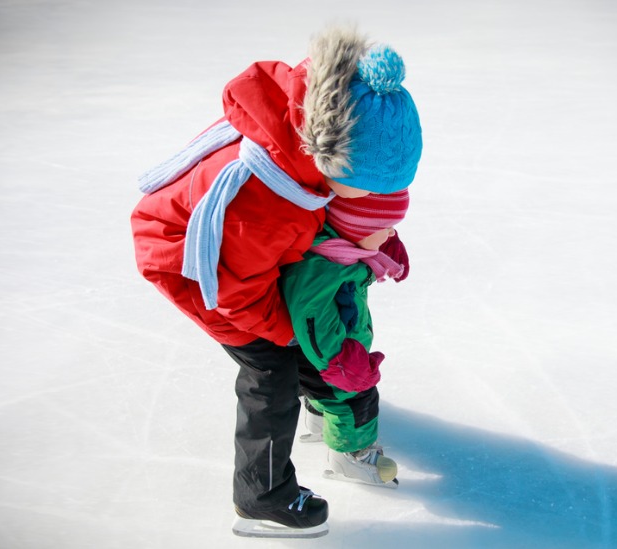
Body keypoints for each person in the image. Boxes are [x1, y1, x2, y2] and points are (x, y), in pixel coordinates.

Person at [129, 24, 421, 539]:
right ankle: (262, 498)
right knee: (272, 373)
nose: (366, 203)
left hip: (249, 255)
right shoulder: (267, 201)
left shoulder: (309, 135)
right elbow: (237, 291)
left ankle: (318, 412)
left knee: (305, 337)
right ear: (333, 160)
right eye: (365, 190)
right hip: (197, 267)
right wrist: (290, 337)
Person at [281, 190, 410, 488]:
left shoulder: (341, 250)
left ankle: (320, 420)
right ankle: (351, 456)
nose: (391, 232)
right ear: (357, 229)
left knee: (331, 394)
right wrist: (337, 364)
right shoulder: (322, 268)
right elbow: (312, 322)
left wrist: (385, 244)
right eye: (385, 228)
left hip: (332, 348)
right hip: (323, 354)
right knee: (354, 398)